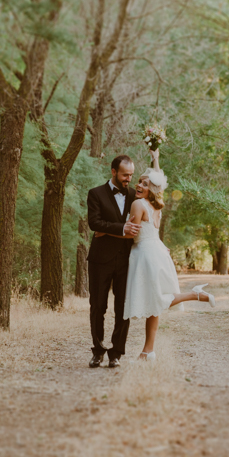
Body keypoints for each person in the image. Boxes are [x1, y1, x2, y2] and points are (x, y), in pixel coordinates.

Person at [120, 148, 216, 361]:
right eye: (139, 181)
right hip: (157, 251)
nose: (139, 185)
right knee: (154, 307)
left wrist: (112, 231)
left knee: (155, 300)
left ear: (150, 189)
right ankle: (148, 350)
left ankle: (195, 294)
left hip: (145, 254)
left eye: (145, 184)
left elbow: (130, 234)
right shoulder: (155, 206)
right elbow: (159, 184)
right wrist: (156, 160)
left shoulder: (137, 204)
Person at [86, 155, 141, 369]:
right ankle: (98, 351)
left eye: (131, 175)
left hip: (127, 260)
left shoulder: (134, 197)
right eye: (125, 175)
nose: (129, 179)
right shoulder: (96, 193)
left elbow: (103, 227)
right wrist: (121, 228)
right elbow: (94, 223)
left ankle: (116, 353)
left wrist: (107, 230)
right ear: (113, 172)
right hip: (100, 260)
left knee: (123, 308)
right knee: (97, 306)